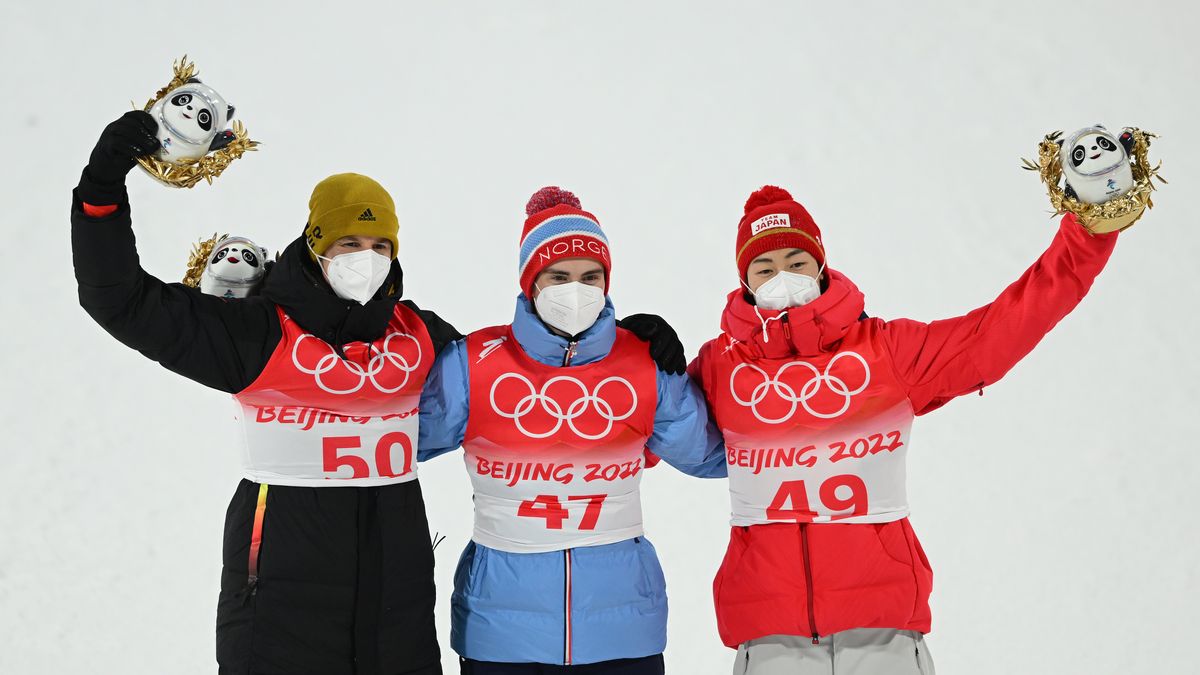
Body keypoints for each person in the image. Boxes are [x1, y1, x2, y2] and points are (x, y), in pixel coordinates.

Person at [72, 110, 460, 675]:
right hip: (279, 620)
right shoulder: (259, 333)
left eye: (381, 245)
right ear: (315, 245)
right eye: (349, 241)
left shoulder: (418, 334)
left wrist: (630, 347)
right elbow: (121, 301)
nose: (366, 259)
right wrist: (102, 190)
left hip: (396, 621)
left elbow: (517, 382)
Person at [688, 185, 1123, 674]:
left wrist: (1087, 234)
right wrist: (636, 363)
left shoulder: (885, 353)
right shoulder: (721, 368)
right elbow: (629, 430)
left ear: (821, 266)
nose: (783, 279)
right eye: (764, 270)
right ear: (745, 282)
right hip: (769, 638)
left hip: (884, 635)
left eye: (796, 262)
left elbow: (999, 330)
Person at [418, 187, 726, 674]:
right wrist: (393, 340)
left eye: (590, 277)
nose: (575, 291)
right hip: (502, 632)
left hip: (622, 627)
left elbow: (717, 455)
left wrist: (728, 362)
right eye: (558, 277)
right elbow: (388, 440)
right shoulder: (475, 364)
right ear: (530, 283)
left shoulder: (644, 361)